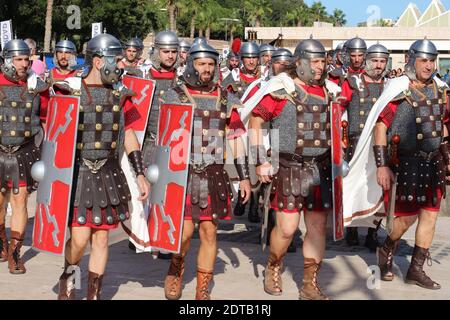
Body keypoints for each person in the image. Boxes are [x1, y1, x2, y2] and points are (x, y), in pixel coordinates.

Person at [55, 33, 150, 300]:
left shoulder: (122, 94)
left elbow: (130, 133)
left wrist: (139, 172)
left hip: (108, 172)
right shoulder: (70, 90)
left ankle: (93, 294)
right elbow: (56, 133)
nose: (121, 65)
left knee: (102, 238)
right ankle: (69, 275)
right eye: (116, 59)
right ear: (98, 62)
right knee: (80, 240)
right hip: (78, 174)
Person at [161, 42, 251, 300]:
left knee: (209, 231)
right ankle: (176, 267)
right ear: (191, 65)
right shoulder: (175, 95)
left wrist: (244, 176)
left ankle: (202, 288)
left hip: (213, 172)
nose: (207, 69)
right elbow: (165, 139)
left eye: (211, 64)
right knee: (185, 232)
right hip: (184, 173)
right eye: (202, 64)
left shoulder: (226, 98)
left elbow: (235, 138)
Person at [249, 38, 334, 300]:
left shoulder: (330, 92)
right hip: (289, 165)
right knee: (286, 229)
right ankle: (274, 265)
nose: (321, 67)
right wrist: (260, 159)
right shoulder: (280, 89)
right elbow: (256, 122)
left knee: (318, 228)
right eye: (316, 61)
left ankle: (309, 283)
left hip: (320, 169)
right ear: (301, 62)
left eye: (323, 61)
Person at [375, 39, 448, 290]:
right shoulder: (399, 89)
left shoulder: (441, 89)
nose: (429, 66)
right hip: (406, 163)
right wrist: (382, 165)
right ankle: (386, 248)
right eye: (424, 61)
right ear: (412, 60)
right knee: (405, 219)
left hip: (433, 162)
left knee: (430, 215)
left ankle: (415, 269)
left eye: (432, 61)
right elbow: (380, 127)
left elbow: (443, 123)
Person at [0, 39, 49, 274]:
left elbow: (51, 117)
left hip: (24, 151)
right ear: (8, 60)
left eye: (26, 59)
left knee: (20, 201)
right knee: (0, 202)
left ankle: (15, 252)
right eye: (18, 59)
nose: (23, 64)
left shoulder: (38, 86)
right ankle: (2, 240)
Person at [340, 44, 391, 250]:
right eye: (375, 61)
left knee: (378, 190)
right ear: (368, 61)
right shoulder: (352, 82)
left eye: (382, 61)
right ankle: (351, 228)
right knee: (354, 185)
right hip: (355, 143)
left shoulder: (391, 86)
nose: (378, 66)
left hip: (381, 146)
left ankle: (373, 231)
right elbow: (338, 111)